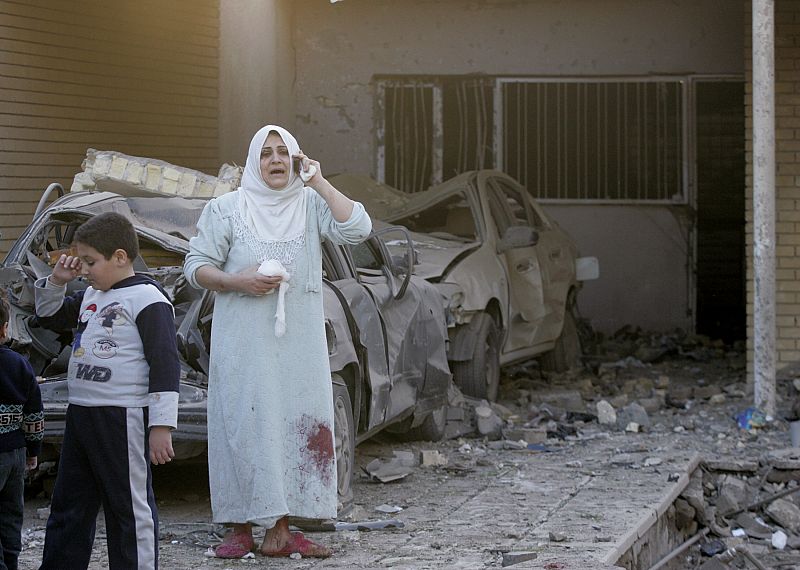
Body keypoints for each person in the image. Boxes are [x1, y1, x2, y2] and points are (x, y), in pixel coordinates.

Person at [183, 125, 372, 558]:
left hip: (298, 346)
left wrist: (319, 180)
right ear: (254, 160)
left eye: (283, 152)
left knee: (295, 423)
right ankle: (240, 527)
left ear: (295, 160)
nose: (275, 160)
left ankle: (284, 529)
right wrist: (237, 281)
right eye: (266, 153)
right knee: (245, 424)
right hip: (243, 344)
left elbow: (358, 228)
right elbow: (195, 266)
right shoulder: (227, 208)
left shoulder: (309, 205)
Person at [34, 212, 181, 570]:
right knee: (69, 504)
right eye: (81, 262)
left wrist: (161, 426)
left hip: (122, 416)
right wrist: (56, 281)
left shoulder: (148, 299)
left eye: (90, 262)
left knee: (128, 507)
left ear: (120, 257)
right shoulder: (90, 296)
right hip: (82, 413)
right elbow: (49, 316)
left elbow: (165, 364)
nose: (83, 270)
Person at [0, 297, 44, 570]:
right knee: (10, 516)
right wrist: (33, 450)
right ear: (5, 329)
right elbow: (34, 413)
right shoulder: (18, 364)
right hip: (15, 454)